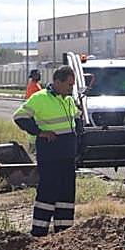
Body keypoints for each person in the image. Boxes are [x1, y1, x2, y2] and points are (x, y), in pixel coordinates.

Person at [12, 65, 79, 237]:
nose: (71, 88)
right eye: (69, 85)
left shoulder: (68, 100)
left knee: (66, 196)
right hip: (50, 157)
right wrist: (40, 132)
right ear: (57, 82)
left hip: (67, 157)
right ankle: (39, 233)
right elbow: (19, 116)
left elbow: (75, 121)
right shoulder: (40, 98)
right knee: (48, 194)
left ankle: (63, 233)